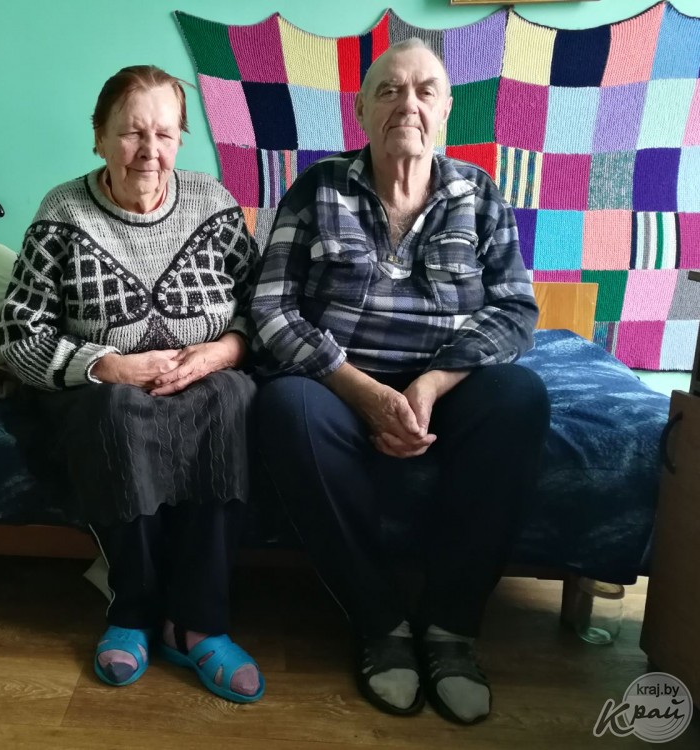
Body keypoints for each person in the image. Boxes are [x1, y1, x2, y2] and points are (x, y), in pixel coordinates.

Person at [249, 39, 550, 724]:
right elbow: (269, 308)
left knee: (521, 398)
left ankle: (450, 628)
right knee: (282, 407)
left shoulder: (478, 193)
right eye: (388, 90)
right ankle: (378, 619)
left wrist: (432, 385)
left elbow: (515, 310)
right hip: (337, 381)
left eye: (423, 91)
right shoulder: (317, 188)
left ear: (445, 109)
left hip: (446, 383)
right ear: (361, 109)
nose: (406, 104)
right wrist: (358, 389)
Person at [0, 65, 264, 703]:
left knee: (232, 401)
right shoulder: (62, 212)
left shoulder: (213, 202)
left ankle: (198, 624)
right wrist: (105, 365)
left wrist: (225, 350)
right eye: (131, 132)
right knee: (114, 413)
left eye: (164, 134)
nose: (149, 150)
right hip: (104, 391)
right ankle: (134, 611)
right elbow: (19, 335)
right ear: (98, 136)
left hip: (205, 378)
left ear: (181, 140)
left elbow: (265, 304)